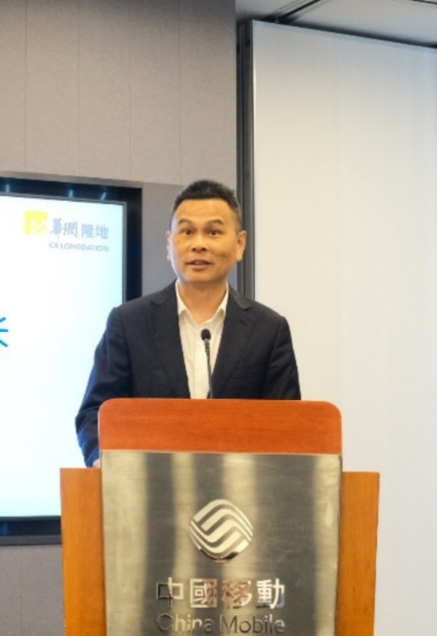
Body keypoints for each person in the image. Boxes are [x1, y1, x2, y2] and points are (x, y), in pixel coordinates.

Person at [75, 179, 301, 467]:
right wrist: (101, 459)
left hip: (239, 491)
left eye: (213, 232)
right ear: (169, 244)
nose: (199, 244)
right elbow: (96, 412)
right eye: (187, 232)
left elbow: (288, 427)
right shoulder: (129, 322)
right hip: (149, 487)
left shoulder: (268, 329)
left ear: (239, 244)